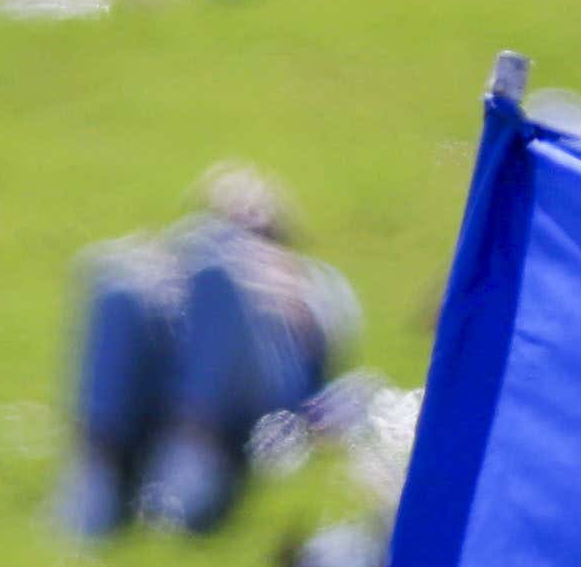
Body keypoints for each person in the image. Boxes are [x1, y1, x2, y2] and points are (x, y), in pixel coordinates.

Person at [62, 159, 360, 532]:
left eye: (256, 225)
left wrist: (270, 285)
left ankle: (193, 454)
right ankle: (96, 465)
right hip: (172, 387)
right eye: (220, 220)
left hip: (262, 396)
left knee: (217, 274)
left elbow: (324, 346)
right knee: (114, 282)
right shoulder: (189, 269)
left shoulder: (311, 281)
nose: (234, 234)